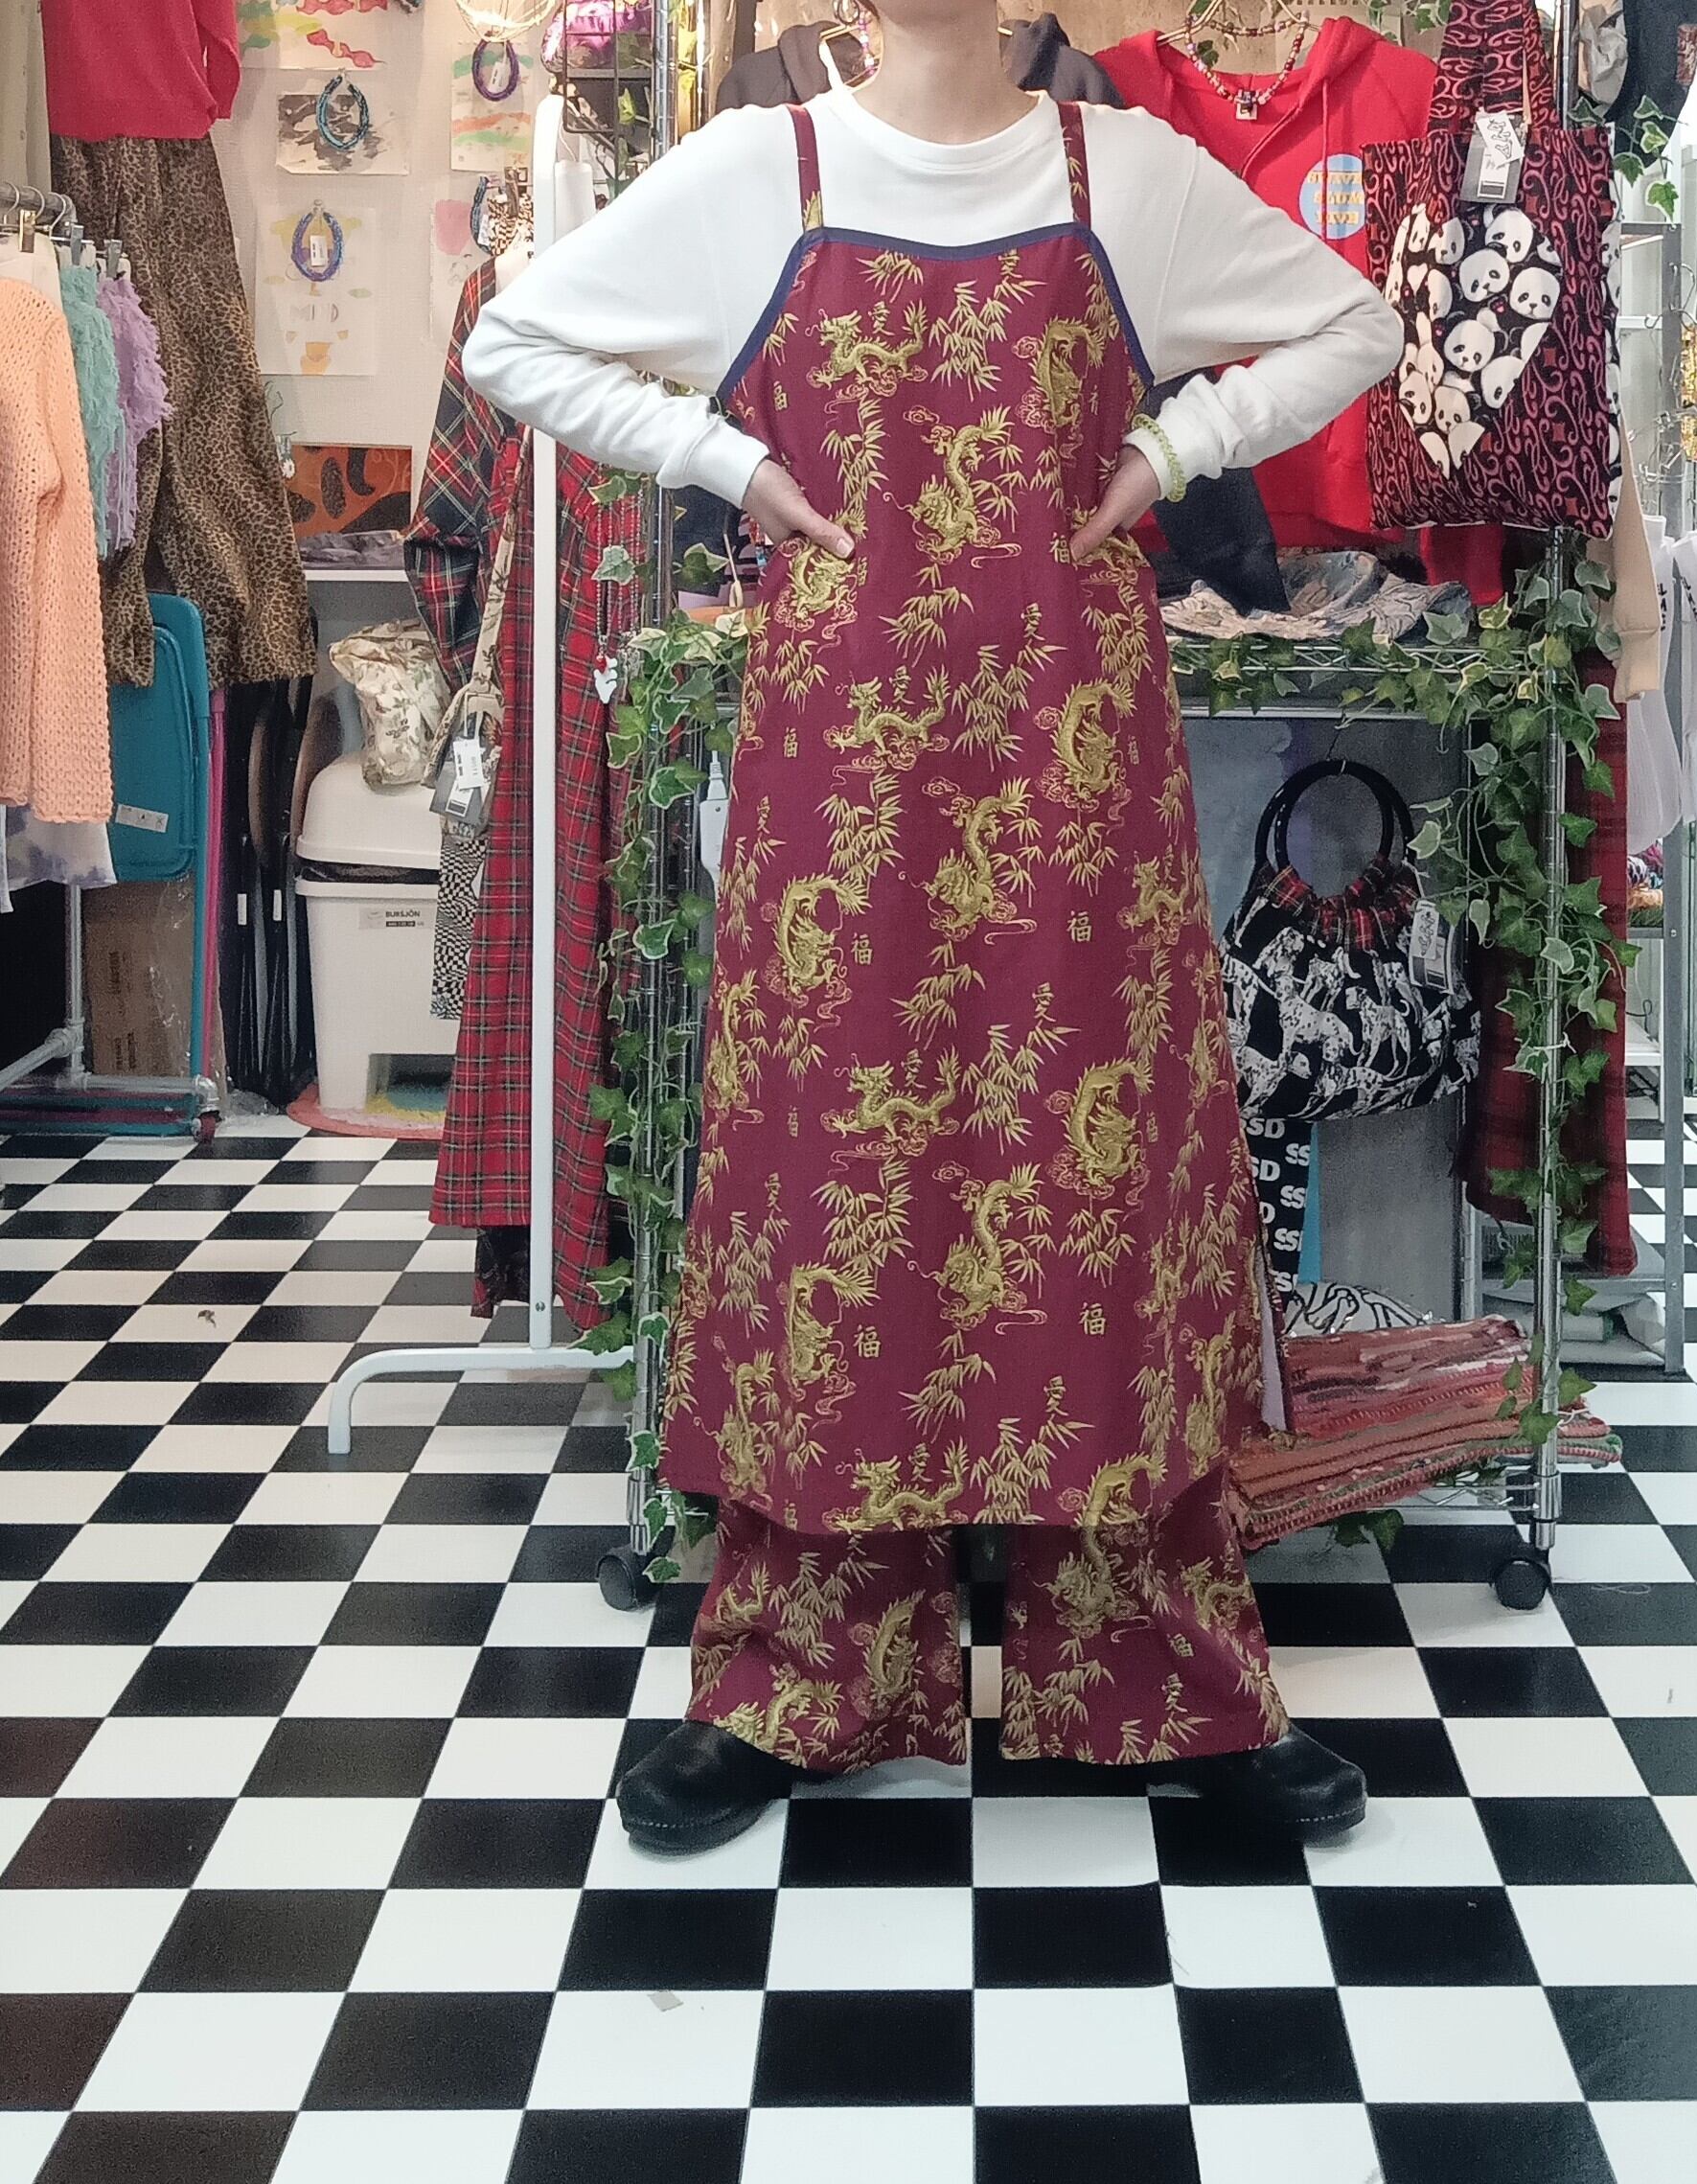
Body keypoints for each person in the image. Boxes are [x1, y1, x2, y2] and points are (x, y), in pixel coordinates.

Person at [466, 0, 1403, 1855]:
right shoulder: (764, 169)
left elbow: (1351, 322)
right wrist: (726, 466)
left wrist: (1175, 451)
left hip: (1075, 762)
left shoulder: (1122, 173)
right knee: (838, 1177)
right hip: (843, 777)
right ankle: (799, 1676)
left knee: (1093, 1172)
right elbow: (515, 337)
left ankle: (1156, 1672)